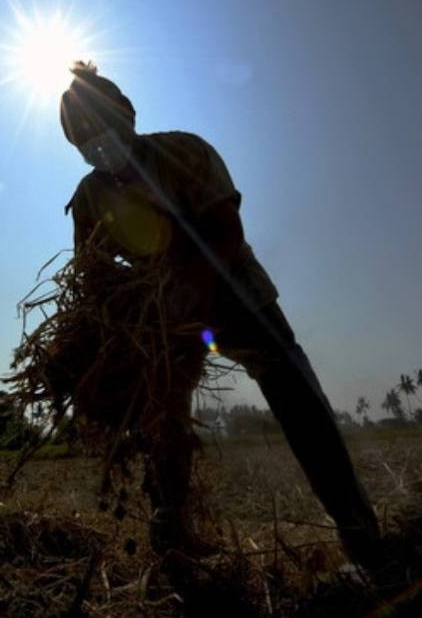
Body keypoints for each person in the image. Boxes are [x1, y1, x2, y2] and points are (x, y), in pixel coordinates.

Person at [59, 62, 382, 570]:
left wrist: (188, 293)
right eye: (84, 141)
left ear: (129, 117)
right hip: (163, 319)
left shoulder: (182, 152)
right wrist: (124, 326)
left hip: (237, 296)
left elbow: (224, 230)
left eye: (104, 131)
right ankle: (173, 538)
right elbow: (92, 274)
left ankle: (359, 530)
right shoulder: (90, 199)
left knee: (298, 399)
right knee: (163, 422)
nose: (99, 146)